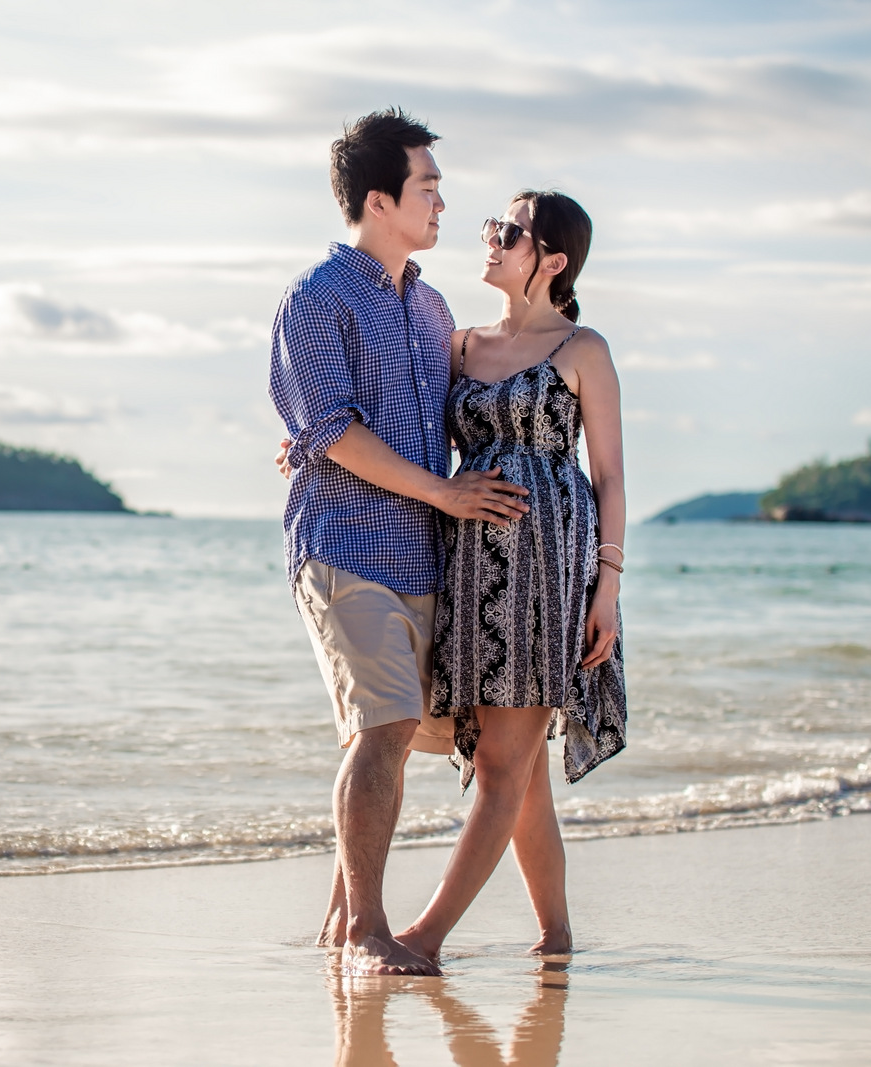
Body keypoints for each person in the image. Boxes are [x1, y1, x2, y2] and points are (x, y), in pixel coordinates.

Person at [268, 108, 531, 977]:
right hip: (344, 548)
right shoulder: (315, 299)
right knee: (383, 727)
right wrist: (442, 489)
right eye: (428, 188)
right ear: (379, 200)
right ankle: (368, 933)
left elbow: (458, 410)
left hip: (426, 554)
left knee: (395, 732)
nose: (442, 203)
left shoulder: (432, 306)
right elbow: (336, 432)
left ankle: (341, 919)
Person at [393, 190, 628, 970]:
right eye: (493, 225)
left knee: (501, 764)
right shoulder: (458, 346)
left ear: (553, 261)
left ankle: (424, 938)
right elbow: (392, 419)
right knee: (522, 776)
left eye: (511, 232)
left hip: (547, 570)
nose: (489, 237)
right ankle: (556, 936)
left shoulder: (582, 349)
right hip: (469, 562)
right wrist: (309, 443)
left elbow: (611, 481)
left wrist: (608, 590)